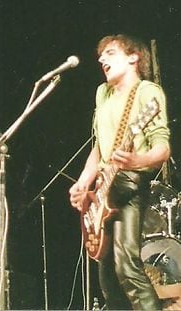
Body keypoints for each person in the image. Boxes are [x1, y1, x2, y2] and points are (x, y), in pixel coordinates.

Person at [69, 34, 170, 310]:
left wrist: (136, 160)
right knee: (108, 277)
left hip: (130, 182)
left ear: (133, 57)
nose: (102, 59)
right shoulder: (103, 93)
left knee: (127, 266)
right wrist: (83, 182)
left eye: (110, 53)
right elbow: (99, 147)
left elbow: (162, 148)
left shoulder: (147, 92)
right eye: (101, 56)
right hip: (105, 187)